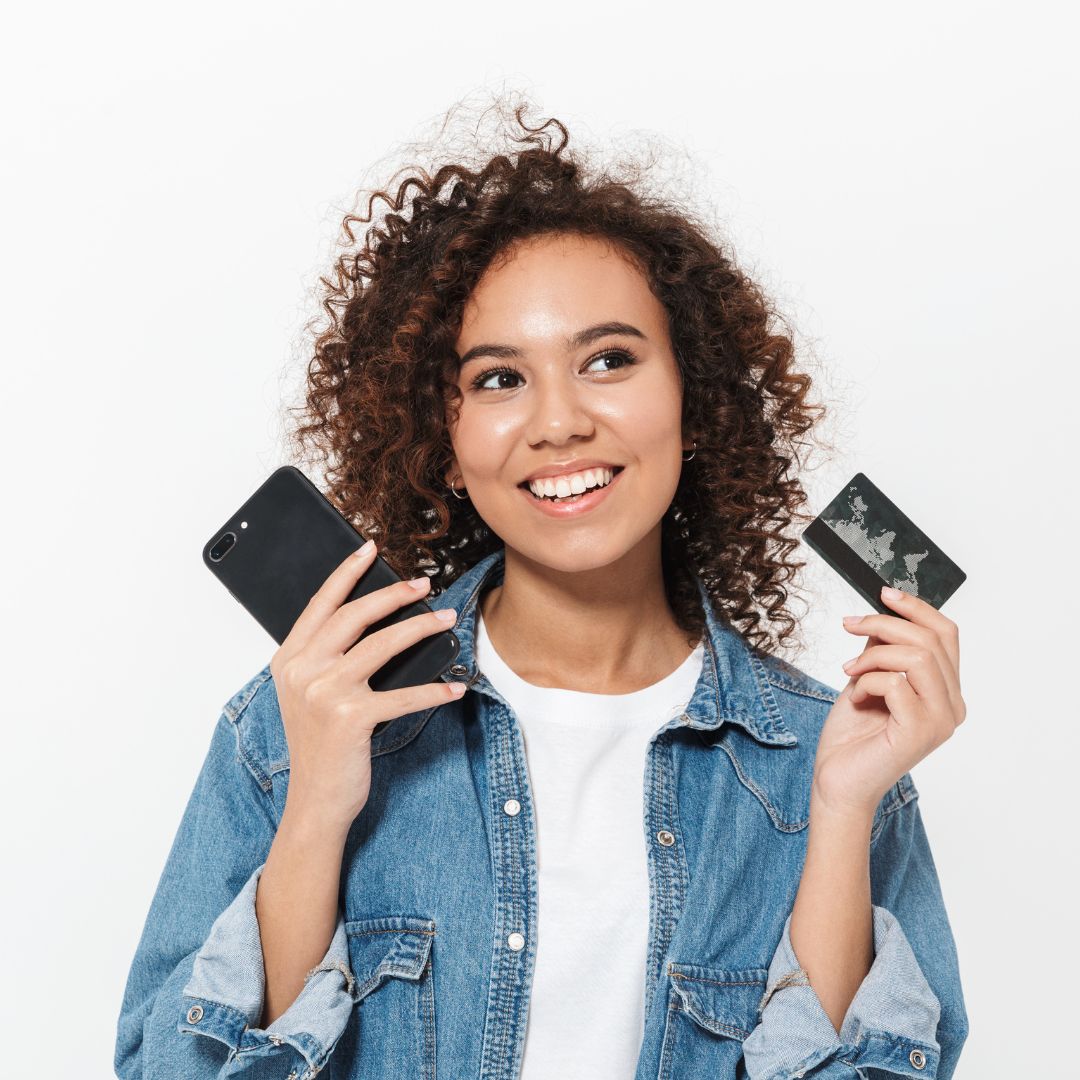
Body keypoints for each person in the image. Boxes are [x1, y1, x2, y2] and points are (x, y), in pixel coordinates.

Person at [115, 103, 969, 1079]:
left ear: (694, 401)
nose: (558, 422)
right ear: (444, 439)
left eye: (608, 360)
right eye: (497, 379)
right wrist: (316, 806)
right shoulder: (307, 714)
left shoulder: (831, 757)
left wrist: (844, 804)